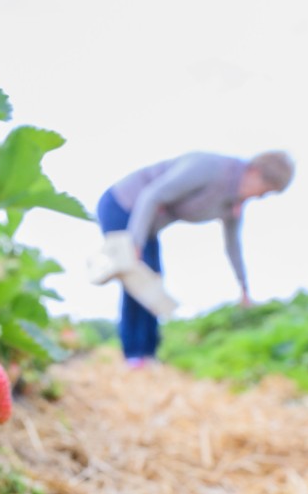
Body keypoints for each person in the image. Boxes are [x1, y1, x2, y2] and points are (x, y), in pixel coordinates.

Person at [96, 150, 294, 367]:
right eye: (264, 192)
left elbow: (233, 246)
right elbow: (151, 195)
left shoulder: (233, 203)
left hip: (149, 225)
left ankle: (149, 354)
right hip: (123, 205)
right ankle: (134, 355)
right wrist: (135, 243)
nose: (260, 197)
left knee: (155, 280)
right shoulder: (209, 168)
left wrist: (243, 287)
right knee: (139, 283)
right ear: (255, 173)